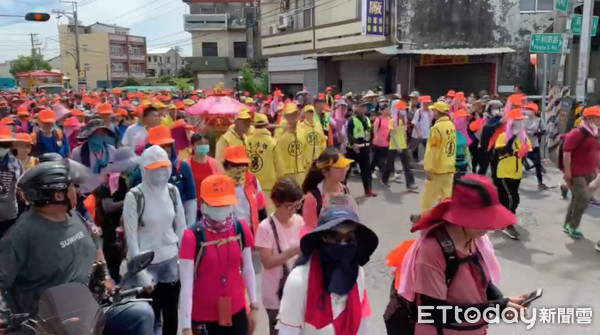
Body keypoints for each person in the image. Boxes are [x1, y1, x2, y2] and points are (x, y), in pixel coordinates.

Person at [0, 159, 155, 335]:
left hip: (90, 310)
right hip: (46, 326)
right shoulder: (20, 236)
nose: (76, 190)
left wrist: (105, 276)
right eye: (72, 186)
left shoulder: (74, 217)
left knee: (141, 314)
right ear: (58, 195)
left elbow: (94, 241)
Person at [392, 174, 527, 335]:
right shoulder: (432, 251)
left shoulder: (475, 238)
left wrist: (504, 302)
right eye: (484, 219)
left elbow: (480, 281)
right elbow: (433, 312)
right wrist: (495, 308)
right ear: (462, 218)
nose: (490, 226)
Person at [276, 206, 377, 335]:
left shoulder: (357, 274)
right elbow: (287, 332)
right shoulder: (299, 281)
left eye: (349, 238)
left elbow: (362, 325)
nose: (342, 244)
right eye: (334, 236)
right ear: (322, 238)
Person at [178, 174, 258, 335]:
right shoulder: (192, 237)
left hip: (237, 311)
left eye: (225, 204)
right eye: (216, 204)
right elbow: (186, 284)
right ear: (204, 204)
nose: (221, 209)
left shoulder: (240, 228)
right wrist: (186, 327)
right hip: (203, 317)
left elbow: (248, 268)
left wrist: (254, 306)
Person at [123, 145, 186, 335]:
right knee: (151, 320)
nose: (160, 173)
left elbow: (181, 228)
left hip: (170, 263)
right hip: (146, 266)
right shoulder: (134, 197)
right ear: (144, 169)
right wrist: (141, 274)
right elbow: (131, 238)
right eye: (154, 168)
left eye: (163, 167)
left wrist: (183, 262)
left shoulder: (173, 192)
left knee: (171, 318)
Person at [255, 177, 304, 335]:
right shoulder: (265, 228)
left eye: (297, 205)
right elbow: (267, 262)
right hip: (276, 295)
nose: (293, 210)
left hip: (298, 291)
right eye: (289, 206)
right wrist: (293, 251)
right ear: (276, 202)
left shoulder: (299, 222)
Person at [95, 147, 141, 283]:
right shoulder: (108, 182)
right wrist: (129, 200)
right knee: (112, 257)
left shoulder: (121, 180)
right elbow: (107, 206)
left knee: (118, 255)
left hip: (119, 225)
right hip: (110, 226)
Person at [146, 125, 198, 228]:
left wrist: (188, 228)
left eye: (168, 145)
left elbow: (191, 199)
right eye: (160, 146)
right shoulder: (141, 172)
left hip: (179, 223)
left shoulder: (182, 167)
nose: (165, 150)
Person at [562, 106, 600, 241]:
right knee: (583, 199)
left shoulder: (594, 133)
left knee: (577, 199)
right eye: (598, 118)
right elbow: (567, 152)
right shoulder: (577, 133)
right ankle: (573, 226)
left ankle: (567, 224)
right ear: (589, 118)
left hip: (588, 172)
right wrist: (567, 172)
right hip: (576, 172)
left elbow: (595, 153)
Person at [494, 108, 531, 240]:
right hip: (504, 172)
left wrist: (524, 152)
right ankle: (508, 224)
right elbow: (502, 152)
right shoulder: (503, 136)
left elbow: (527, 151)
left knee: (513, 199)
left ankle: (502, 219)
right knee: (511, 198)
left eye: (522, 121)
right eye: (518, 121)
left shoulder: (524, 138)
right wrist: (512, 138)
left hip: (517, 173)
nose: (521, 123)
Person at [302, 148, 353, 235]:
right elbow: (308, 231)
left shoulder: (345, 190)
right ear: (325, 171)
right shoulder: (313, 198)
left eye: (345, 166)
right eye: (338, 168)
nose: (343, 170)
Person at [418, 101, 456, 216]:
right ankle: (446, 216)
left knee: (428, 196)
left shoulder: (437, 128)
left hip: (438, 168)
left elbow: (434, 150)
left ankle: (424, 217)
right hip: (449, 167)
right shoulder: (451, 125)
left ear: (437, 112)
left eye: (434, 110)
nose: (432, 112)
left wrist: (429, 168)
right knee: (446, 196)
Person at [223, 145, 267, 234]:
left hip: (251, 230)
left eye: (242, 165)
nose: (239, 169)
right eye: (235, 165)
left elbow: (261, 206)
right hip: (230, 231)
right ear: (227, 166)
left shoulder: (252, 180)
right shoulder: (221, 183)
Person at [246, 113, 279, 213]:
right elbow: (278, 164)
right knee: (270, 211)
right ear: (267, 126)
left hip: (252, 182)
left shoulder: (247, 141)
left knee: (254, 210)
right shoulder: (272, 142)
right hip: (269, 182)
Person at [274, 102, 310, 186]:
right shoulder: (280, 129)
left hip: (300, 172)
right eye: (289, 114)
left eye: (294, 114)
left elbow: (305, 148)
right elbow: (276, 148)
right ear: (285, 116)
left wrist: (306, 165)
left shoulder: (301, 129)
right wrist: (288, 132)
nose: (292, 117)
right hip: (286, 172)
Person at [346, 100, 376, 197]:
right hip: (353, 149)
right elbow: (349, 133)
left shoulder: (367, 119)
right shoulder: (352, 120)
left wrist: (371, 144)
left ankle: (368, 190)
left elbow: (370, 133)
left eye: (364, 107)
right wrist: (353, 143)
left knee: (366, 171)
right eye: (361, 107)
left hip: (365, 149)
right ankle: (343, 190)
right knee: (347, 170)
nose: (363, 109)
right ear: (357, 108)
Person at [189, 133, 222, 218]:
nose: (203, 146)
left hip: (212, 206)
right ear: (192, 146)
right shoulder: (187, 165)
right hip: (194, 208)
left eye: (206, 143)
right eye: (200, 143)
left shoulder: (214, 163)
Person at [0, 126, 23, 239]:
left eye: (5, 145)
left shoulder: (17, 164)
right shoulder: (17, 164)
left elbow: (20, 187)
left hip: (9, 214)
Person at [523, 102, 549, 190]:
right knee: (517, 164)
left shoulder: (539, 120)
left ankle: (540, 183)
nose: (528, 111)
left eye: (530, 110)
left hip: (534, 145)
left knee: (537, 164)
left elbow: (544, 130)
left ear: (535, 111)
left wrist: (537, 134)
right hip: (522, 145)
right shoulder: (522, 119)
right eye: (527, 109)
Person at [371, 104, 392, 181]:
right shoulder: (378, 119)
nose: (387, 111)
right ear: (382, 111)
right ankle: (371, 170)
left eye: (388, 110)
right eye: (385, 110)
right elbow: (375, 130)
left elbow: (390, 130)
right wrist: (377, 137)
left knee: (385, 157)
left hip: (386, 142)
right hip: (378, 142)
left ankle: (382, 169)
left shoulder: (389, 119)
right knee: (375, 158)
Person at [410, 95, 433, 162]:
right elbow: (414, 123)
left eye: (428, 103)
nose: (427, 104)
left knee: (427, 148)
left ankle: (426, 161)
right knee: (414, 149)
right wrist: (418, 133)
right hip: (417, 134)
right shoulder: (418, 112)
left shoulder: (430, 112)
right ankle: (413, 161)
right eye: (425, 103)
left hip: (426, 134)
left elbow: (430, 122)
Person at [453, 108, 470, 179]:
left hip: (463, 164)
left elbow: (466, 149)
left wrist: (469, 162)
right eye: (464, 119)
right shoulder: (451, 132)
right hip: (453, 164)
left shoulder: (465, 132)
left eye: (466, 119)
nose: (466, 121)